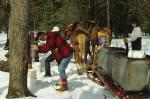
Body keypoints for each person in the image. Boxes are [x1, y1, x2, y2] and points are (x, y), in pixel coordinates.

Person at [31, 26, 73, 91]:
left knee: (61, 69)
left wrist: (38, 48)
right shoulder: (49, 37)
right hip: (62, 54)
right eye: (39, 39)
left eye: (40, 38)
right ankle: (63, 82)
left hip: (67, 53)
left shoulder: (51, 36)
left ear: (43, 34)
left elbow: (47, 47)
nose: (40, 40)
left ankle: (64, 86)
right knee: (60, 68)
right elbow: (48, 45)